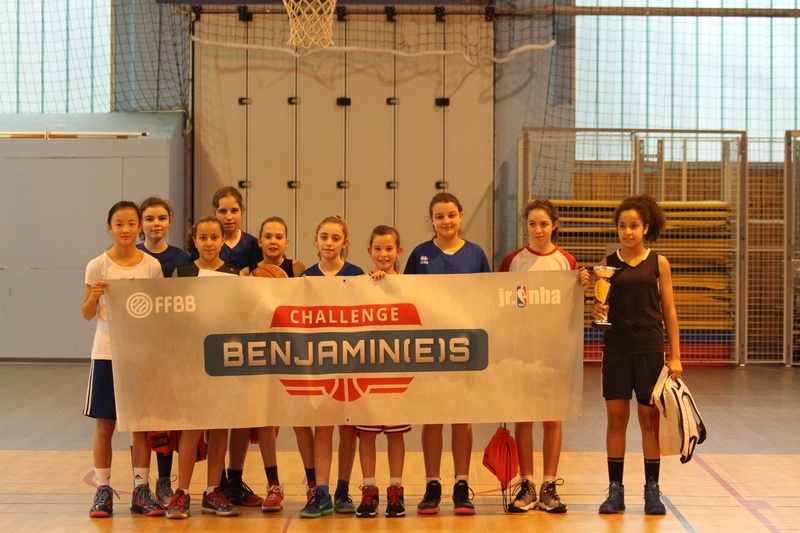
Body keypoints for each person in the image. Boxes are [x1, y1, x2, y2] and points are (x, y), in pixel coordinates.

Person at [592, 194, 683, 516]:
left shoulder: (658, 263)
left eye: (634, 226)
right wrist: (597, 311)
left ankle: (652, 491)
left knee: (649, 421)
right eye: (622, 226)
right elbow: (601, 308)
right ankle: (615, 491)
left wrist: (675, 355)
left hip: (649, 350)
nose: (627, 232)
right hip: (616, 350)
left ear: (646, 227)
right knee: (616, 420)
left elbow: (669, 310)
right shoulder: (607, 264)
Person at [498, 199, 590, 514]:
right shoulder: (513, 261)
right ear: (526, 226)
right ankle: (527, 485)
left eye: (544, 224)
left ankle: (549, 486)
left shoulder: (567, 261)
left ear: (554, 226)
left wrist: (583, 287)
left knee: (552, 418)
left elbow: (574, 306)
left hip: (555, 351)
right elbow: (500, 303)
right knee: (524, 418)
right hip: (521, 351)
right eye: (532, 224)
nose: (538, 230)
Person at [403, 192, 491, 515]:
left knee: (461, 419)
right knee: (433, 419)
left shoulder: (476, 254)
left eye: (451, 215)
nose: (446, 221)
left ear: (461, 216)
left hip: (465, 346)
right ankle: (432, 485)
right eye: (440, 216)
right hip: (430, 348)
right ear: (431, 220)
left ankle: (461, 485)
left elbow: (488, 298)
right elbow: (405, 296)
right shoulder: (420, 254)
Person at [83, 201, 164, 518]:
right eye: (119, 224)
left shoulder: (151, 266)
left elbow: (158, 311)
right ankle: (102, 490)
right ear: (110, 227)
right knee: (105, 424)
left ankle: (141, 489)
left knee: (140, 424)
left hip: (140, 354)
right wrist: (93, 297)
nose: (126, 229)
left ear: (139, 227)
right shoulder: (97, 265)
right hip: (106, 352)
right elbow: (86, 313)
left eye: (132, 223)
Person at [164, 216, 243, 519]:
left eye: (214, 237)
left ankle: (213, 491)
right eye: (203, 238)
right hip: (191, 359)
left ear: (223, 240)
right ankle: (182, 491)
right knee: (192, 425)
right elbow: (172, 318)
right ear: (194, 241)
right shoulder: (181, 273)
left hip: (221, 359)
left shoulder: (235, 274)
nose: (209, 243)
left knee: (219, 426)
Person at [298, 215, 364, 518]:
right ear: (316, 240)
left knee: (348, 428)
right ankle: (321, 492)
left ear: (345, 243)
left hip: (350, 362)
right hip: (319, 363)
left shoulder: (357, 274)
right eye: (324, 237)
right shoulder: (305, 277)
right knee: (323, 426)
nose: (329, 243)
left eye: (336, 238)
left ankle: (342, 489)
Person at [203, 187, 265, 507]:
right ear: (214, 212)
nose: (228, 217)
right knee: (216, 417)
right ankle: (217, 482)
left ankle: (235, 478)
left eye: (234, 211)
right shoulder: (205, 244)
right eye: (222, 211)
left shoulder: (253, 245)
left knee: (242, 414)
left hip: (244, 337)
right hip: (212, 338)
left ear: (242, 212)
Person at [247, 216, 310, 513]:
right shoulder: (248, 272)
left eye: (279, 236)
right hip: (264, 351)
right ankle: (273, 485)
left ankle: (312, 483)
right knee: (266, 419)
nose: (273, 241)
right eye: (268, 236)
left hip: (293, 350)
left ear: (287, 241)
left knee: (300, 419)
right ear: (259, 241)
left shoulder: (297, 269)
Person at [136, 196, 191, 507]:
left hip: (172, 347)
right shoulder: (133, 256)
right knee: (144, 417)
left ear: (170, 221)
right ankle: (140, 483)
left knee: (167, 416)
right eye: (149, 218)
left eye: (161, 218)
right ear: (141, 223)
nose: (155, 224)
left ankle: (164, 481)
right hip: (141, 348)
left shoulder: (181, 258)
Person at [356, 225, 410, 518]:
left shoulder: (408, 284)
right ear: (369, 251)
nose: (383, 254)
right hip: (367, 372)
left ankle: (395, 490)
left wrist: (392, 283)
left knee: (395, 435)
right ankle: (368, 489)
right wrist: (373, 283)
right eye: (378, 249)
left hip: (397, 373)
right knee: (366, 435)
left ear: (398, 251)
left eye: (389, 249)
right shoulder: (360, 284)